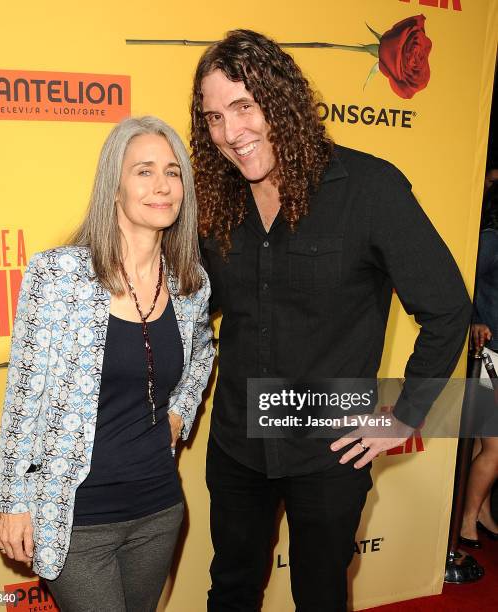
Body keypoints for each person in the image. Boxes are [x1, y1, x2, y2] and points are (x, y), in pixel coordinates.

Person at [190, 29, 471, 611]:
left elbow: (447, 308)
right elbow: (199, 304)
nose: (231, 132)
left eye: (244, 106)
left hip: (331, 445)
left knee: (320, 595)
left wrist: (406, 415)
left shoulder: (370, 189)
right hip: (238, 440)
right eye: (214, 117)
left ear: (283, 101)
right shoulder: (219, 200)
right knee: (232, 589)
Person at [0, 116, 215, 611]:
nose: (162, 186)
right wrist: (13, 502)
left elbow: (203, 351)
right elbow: (24, 397)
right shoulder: (58, 276)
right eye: (144, 171)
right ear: (113, 185)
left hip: (158, 509)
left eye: (173, 172)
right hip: (76, 518)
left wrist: (180, 412)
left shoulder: (188, 282)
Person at [460, 175, 498, 548]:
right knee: (496, 447)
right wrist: (474, 320)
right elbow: (462, 284)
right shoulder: (491, 240)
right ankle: (467, 521)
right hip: (490, 356)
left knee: (485, 445)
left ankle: (478, 511)